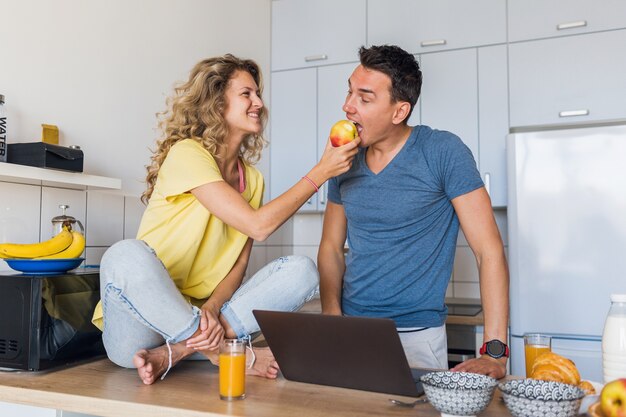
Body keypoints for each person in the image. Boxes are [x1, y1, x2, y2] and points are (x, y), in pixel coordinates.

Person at [91, 54, 359, 385]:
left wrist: (213, 307)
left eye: (257, 94)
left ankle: (177, 352)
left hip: (205, 321)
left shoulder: (252, 180)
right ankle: (228, 355)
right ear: (217, 103)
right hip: (138, 329)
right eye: (246, 94)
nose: (258, 102)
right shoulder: (187, 153)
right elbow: (257, 225)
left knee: (301, 271)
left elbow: (238, 266)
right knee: (124, 255)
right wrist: (322, 172)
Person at [317, 45, 510, 379]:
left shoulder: (442, 151)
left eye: (364, 98)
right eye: (349, 92)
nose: (347, 107)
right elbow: (331, 248)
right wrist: (332, 315)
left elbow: (488, 250)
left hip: (417, 336)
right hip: (353, 330)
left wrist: (495, 351)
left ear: (399, 111)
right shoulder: (342, 160)